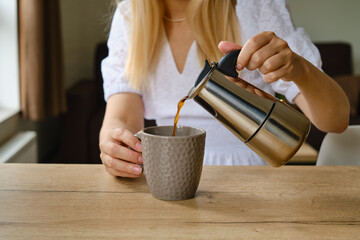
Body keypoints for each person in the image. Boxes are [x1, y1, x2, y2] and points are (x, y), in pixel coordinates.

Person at [99, 0, 350, 177]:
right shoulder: (129, 16)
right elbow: (121, 118)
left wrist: (299, 68)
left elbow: (336, 121)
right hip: (168, 173)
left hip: (249, 177)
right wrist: (114, 147)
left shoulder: (255, 6)